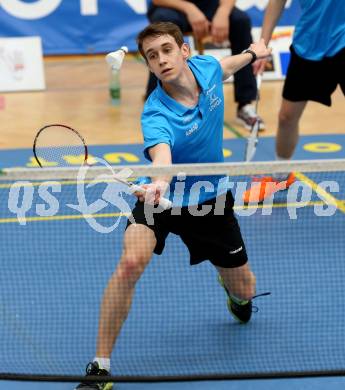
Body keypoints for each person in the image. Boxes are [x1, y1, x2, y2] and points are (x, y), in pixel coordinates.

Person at [75, 22, 271, 390]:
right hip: (161, 200)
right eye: (152, 56)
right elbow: (162, 158)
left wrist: (251, 54)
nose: (161, 59)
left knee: (246, 289)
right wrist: (158, 184)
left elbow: (225, 67)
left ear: (184, 51)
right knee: (130, 263)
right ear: (148, 65)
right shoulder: (155, 113)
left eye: (166, 49)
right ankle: (100, 368)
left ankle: (232, 292)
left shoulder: (206, 68)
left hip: (210, 200)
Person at [243, 0, 345, 204]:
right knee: (287, 116)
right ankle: (281, 176)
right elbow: (276, 3)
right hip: (308, 43)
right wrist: (263, 43)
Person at [145, 0, 266, 130]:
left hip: (210, 6)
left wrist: (223, 12)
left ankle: (245, 104)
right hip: (173, 7)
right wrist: (190, 8)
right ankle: (158, 105)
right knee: (163, 22)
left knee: (240, 21)